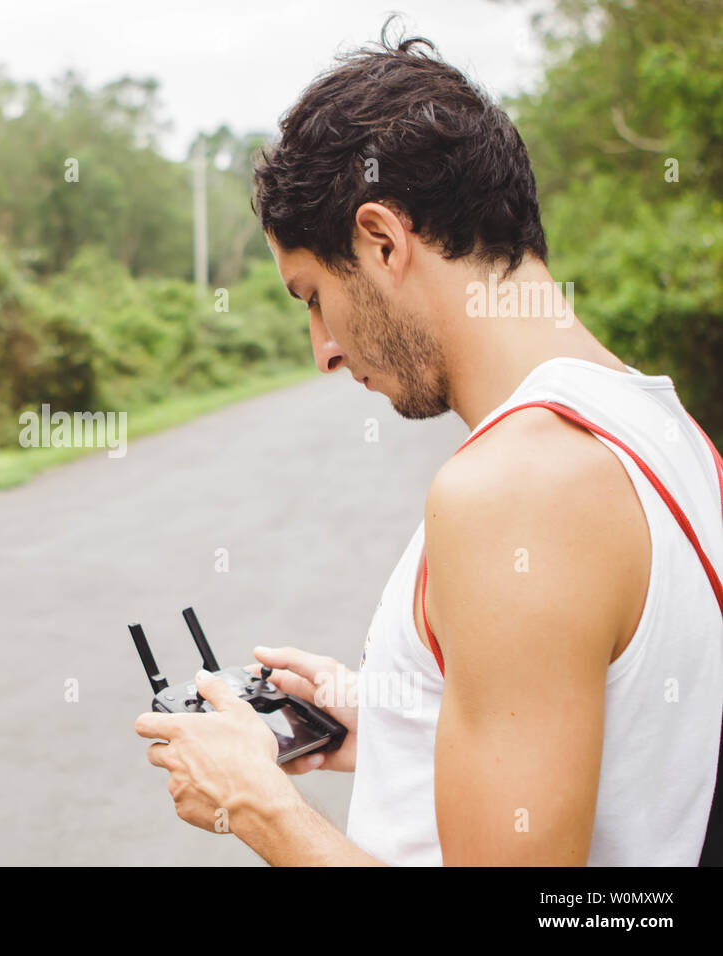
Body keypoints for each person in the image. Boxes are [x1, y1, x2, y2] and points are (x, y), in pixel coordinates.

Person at [136, 25, 723, 865]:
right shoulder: (662, 428)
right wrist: (406, 720)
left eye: (312, 297)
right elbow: (630, 739)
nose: (323, 350)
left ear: (382, 239)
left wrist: (259, 808)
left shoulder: (515, 489)